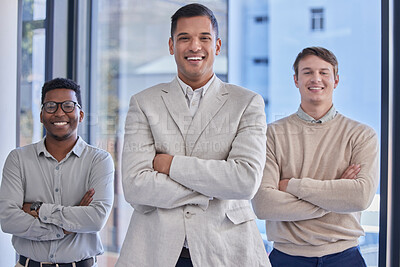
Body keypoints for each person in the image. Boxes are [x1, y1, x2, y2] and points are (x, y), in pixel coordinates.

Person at [116, 3, 270, 267]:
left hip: (226, 250)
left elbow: (244, 182)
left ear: (217, 46)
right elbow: (135, 185)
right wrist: (209, 190)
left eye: (204, 38)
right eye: (184, 38)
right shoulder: (144, 103)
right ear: (171, 45)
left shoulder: (247, 103)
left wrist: (170, 164)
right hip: (157, 250)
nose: (194, 46)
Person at [252, 47, 379, 267]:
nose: (316, 79)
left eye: (323, 72)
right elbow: (264, 205)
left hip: (345, 257)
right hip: (286, 258)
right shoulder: (271, 135)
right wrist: (337, 194)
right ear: (296, 80)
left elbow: (359, 198)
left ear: (336, 80)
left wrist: (292, 185)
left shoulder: (361, 135)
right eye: (308, 72)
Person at [0, 78, 114, 267]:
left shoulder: (99, 160)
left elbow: (95, 219)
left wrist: (38, 209)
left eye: (69, 106)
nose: (60, 112)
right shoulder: (18, 159)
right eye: (51, 106)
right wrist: (67, 228)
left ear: (81, 114)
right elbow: (8, 219)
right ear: (41, 115)